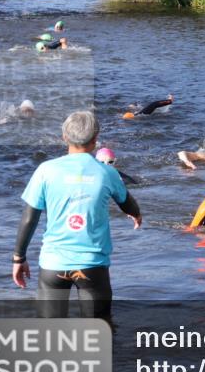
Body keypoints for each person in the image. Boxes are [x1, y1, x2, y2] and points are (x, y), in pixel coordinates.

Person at [13, 111, 142, 318]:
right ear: (95, 139)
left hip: (53, 265)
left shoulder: (45, 170)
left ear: (65, 137)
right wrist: (136, 214)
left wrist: (18, 258)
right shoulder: (107, 172)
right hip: (92, 266)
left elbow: (29, 218)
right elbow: (127, 203)